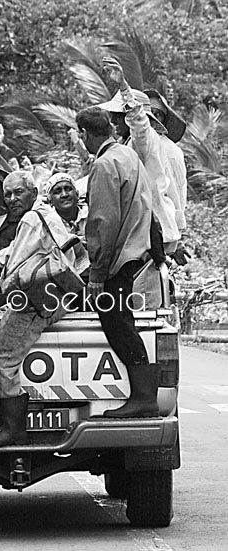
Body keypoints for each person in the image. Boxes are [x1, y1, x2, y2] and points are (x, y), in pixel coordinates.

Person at [0, 171, 77, 447]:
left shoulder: (31, 219)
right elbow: (14, 252)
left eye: (19, 193)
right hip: (54, 299)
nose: (12, 199)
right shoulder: (45, 216)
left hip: (32, 302)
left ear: (34, 193)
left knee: (1, 358)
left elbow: (13, 272)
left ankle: (13, 430)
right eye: (8, 195)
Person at [76, 105, 160, 418]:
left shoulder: (104, 164)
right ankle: (141, 395)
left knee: (119, 324)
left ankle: (143, 397)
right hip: (136, 253)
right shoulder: (129, 156)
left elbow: (103, 222)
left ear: (85, 134)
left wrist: (97, 273)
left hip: (118, 259)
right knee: (123, 322)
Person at [98, 57, 180, 257]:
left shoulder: (145, 140)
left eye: (119, 115)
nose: (114, 120)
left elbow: (139, 123)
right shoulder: (123, 145)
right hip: (141, 229)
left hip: (150, 231)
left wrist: (124, 87)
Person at [144, 88, 190, 266]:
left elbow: (177, 194)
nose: (152, 116)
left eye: (158, 114)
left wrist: (176, 237)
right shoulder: (134, 144)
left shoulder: (169, 150)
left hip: (162, 232)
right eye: (149, 112)